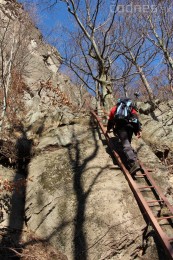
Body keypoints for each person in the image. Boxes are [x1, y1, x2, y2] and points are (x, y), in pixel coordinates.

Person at [106, 98, 142, 175]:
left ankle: (133, 163)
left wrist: (108, 129)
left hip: (121, 128)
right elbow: (136, 120)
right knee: (128, 143)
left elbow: (110, 120)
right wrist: (138, 130)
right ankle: (132, 158)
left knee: (126, 145)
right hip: (130, 128)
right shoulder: (130, 108)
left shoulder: (114, 109)